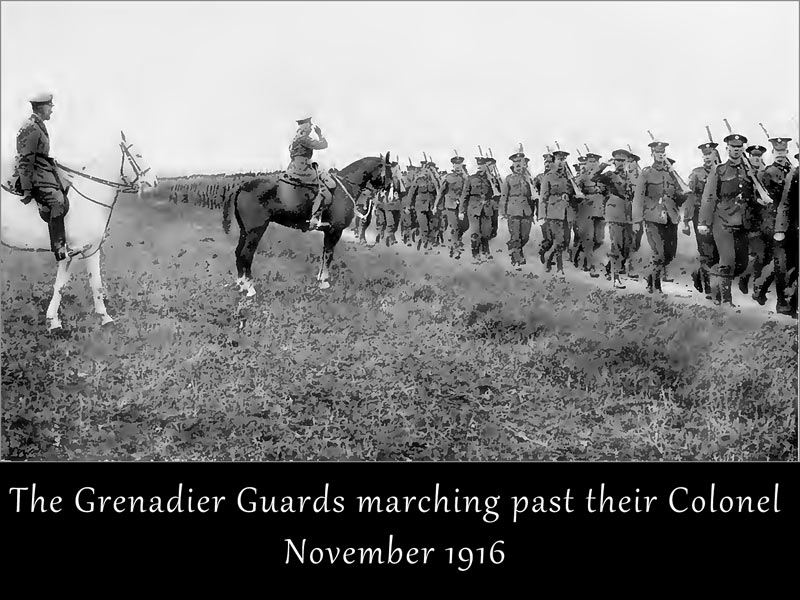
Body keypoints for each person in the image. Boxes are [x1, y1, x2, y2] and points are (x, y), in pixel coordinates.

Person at [698, 133, 758, 306]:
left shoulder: (750, 171)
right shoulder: (719, 170)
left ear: (742, 149)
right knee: (728, 260)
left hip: (743, 222)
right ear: (727, 149)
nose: (736, 150)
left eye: (739, 148)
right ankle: (726, 300)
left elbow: (754, 197)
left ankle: (713, 282)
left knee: (741, 263)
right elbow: (709, 197)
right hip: (723, 222)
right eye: (733, 148)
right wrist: (703, 222)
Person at [11, 93, 69, 261]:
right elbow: (25, 159)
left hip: (43, 172)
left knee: (66, 186)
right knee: (57, 200)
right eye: (49, 105)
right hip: (35, 176)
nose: (52, 108)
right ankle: (59, 248)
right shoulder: (31, 127)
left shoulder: (39, 125)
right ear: (41, 107)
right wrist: (27, 188)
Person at [632, 140, 688, 294]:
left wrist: (686, 194)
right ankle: (654, 285)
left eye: (663, 153)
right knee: (659, 252)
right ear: (652, 154)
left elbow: (678, 196)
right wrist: (636, 221)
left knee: (669, 255)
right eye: (658, 153)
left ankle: (651, 277)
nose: (661, 155)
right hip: (653, 217)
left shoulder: (671, 174)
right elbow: (638, 198)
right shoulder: (646, 173)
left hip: (671, 217)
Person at [683, 142, 721, 297]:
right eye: (704, 154)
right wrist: (686, 219)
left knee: (718, 252)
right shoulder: (697, 173)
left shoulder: (722, 171)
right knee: (706, 253)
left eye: (710, 153)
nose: (707, 157)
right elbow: (689, 197)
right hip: (700, 216)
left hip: (718, 216)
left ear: (716, 155)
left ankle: (698, 273)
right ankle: (709, 288)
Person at [592, 149, 632, 288]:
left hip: (629, 215)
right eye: (618, 160)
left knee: (627, 249)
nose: (621, 163)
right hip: (614, 213)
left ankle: (609, 267)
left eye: (623, 160)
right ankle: (616, 278)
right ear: (614, 161)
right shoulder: (610, 175)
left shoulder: (632, 176)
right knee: (617, 245)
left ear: (627, 162)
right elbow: (594, 178)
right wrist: (603, 166)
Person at [286, 117, 330, 230]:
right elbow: (323, 145)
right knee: (323, 189)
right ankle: (314, 219)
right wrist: (320, 134)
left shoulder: (296, 138)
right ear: (306, 126)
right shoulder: (304, 139)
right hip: (303, 168)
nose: (311, 128)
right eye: (309, 125)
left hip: (293, 166)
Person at [539, 150, 576, 274]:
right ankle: (558, 267)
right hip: (553, 213)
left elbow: (571, 191)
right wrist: (542, 215)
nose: (561, 163)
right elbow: (543, 197)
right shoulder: (548, 176)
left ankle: (551, 261)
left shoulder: (567, 177)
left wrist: (568, 195)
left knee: (565, 241)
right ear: (554, 162)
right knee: (558, 241)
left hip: (566, 213)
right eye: (559, 160)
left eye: (563, 160)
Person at [500, 147, 534, 267]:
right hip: (513, 210)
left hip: (527, 211)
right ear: (513, 165)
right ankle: (517, 258)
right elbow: (504, 196)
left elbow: (533, 196)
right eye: (516, 164)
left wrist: (533, 213)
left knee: (525, 236)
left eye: (521, 164)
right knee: (515, 236)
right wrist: (503, 211)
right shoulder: (508, 179)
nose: (519, 166)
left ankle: (514, 247)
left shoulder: (529, 179)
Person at [773, 156, 798, 317]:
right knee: (787, 269)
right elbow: (785, 202)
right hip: (795, 228)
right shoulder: (795, 174)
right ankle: (787, 302)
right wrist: (780, 229)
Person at [460, 156, 496, 263]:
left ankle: (486, 251)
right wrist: (461, 211)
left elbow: (497, 192)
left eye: (482, 165)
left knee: (486, 233)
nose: (480, 167)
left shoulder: (491, 179)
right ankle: (475, 254)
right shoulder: (471, 179)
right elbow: (464, 195)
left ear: (486, 166)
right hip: (474, 209)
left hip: (486, 209)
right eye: (478, 165)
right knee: (475, 233)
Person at [435, 153, 467, 258]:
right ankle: (455, 248)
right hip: (451, 206)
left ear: (462, 164)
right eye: (455, 164)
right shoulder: (448, 177)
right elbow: (440, 193)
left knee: (464, 226)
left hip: (462, 206)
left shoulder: (466, 177)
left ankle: (457, 241)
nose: (457, 166)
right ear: (452, 166)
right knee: (454, 227)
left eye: (459, 164)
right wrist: (435, 206)